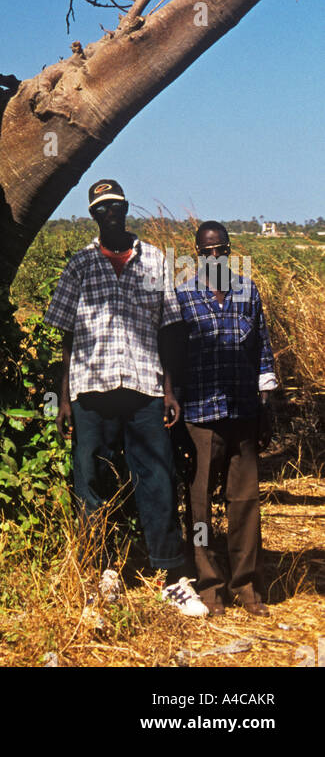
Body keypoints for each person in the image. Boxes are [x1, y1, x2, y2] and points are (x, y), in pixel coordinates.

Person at [45, 179, 209, 617]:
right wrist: (63, 399)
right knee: (92, 479)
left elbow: (169, 328)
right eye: (101, 209)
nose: (109, 214)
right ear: (93, 215)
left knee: (156, 479)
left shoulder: (155, 259)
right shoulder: (79, 264)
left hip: (144, 386)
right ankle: (104, 573)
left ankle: (171, 578)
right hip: (90, 389)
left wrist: (170, 390)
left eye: (115, 206)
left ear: (125, 208)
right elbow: (65, 334)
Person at [175, 222, 278, 616]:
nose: (215, 257)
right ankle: (209, 584)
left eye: (221, 250)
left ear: (230, 251)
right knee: (199, 505)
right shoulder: (183, 295)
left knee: (245, 502)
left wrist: (266, 402)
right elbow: (175, 359)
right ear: (197, 254)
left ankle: (247, 585)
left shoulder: (246, 290)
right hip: (201, 416)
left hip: (243, 412)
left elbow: (262, 349)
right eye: (207, 251)